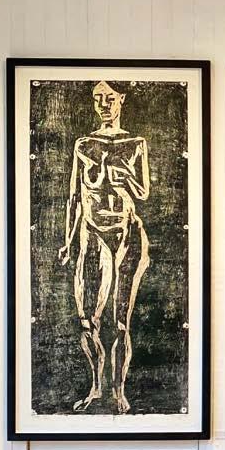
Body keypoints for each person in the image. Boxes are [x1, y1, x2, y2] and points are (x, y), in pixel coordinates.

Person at [58, 81, 150, 414]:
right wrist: (68, 240)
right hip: (91, 231)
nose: (104, 104)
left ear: (121, 99)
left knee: (120, 321)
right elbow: (73, 197)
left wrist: (125, 176)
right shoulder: (84, 144)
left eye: (109, 97)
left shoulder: (135, 143)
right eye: (98, 98)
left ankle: (118, 392)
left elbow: (143, 192)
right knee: (88, 319)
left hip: (125, 232)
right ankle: (95, 387)